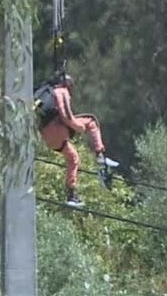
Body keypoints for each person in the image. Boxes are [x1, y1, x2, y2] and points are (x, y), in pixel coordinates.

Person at [34, 72, 118, 207]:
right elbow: (67, 116)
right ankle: (101, 158)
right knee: (91, 122)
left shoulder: (45, 96)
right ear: (66, 84)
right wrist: (80, 127)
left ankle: (71, 195)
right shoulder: (61, 91)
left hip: (47, 138)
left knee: (73, 157)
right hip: (58, 130)